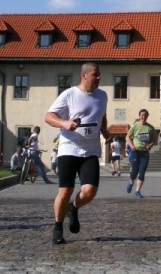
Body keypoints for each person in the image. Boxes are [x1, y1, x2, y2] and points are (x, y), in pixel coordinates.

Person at [44, 62, 109, 245]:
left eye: (99, 74)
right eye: (95, 74)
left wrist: (104, 130)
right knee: (65, 191)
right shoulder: (69, 94)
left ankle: (73, 208)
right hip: (69, 148)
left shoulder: (102, 95)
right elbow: (49, 116)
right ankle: (58, 226)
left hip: (90, 150)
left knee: (90, 191)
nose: (99, 77)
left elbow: (102, 115)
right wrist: (64, 123)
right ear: (84, 75)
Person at [126, 109, 157, 198]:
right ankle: (131, 182)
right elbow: (127, 137)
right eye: (142, 115)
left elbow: (155, 139)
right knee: (134, 172)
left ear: (147, 116)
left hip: (144, 152)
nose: (143, 117)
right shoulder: (135, 126)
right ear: (139, 116)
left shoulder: (150, 128)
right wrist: (131, 146)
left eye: (145, 115)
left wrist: (151, 145)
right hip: (135, 151)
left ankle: (137, 191)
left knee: (142, 172)